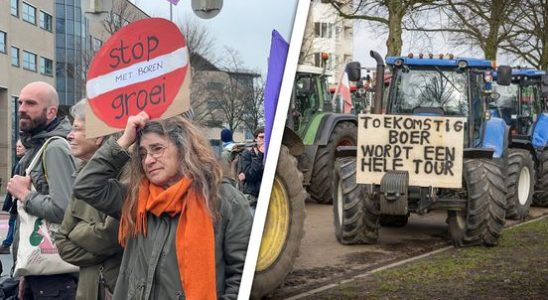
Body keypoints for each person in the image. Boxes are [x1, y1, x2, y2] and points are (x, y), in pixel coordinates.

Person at [72, 112, 252, 299]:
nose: (148, 160)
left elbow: (244, 276)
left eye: (157, 149)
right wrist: (124, 141)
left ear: (184, 148)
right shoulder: (135, 198)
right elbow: (86, 186)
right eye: (142, 154)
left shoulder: (223, 199)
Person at [6, 81, 77, 299]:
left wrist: (24, 195)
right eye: (20, 103)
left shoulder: (54, 147)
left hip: (55, 279)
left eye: (31, 103)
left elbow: (64, 209)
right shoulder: (38, 145)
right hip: (40, 273)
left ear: (51, 111)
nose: (22, 109)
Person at [55, 99, 123, 300]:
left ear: (98, 137)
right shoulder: (81, 177)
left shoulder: (123, 176)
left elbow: (112, 238)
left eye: (76, 129)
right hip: (87, 291)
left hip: (113, 290)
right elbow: (62, 244)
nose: (69, 135)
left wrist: (77, 233)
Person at [0, 139, 26, 254]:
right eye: (17, 146)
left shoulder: (25, 164)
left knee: (14, 223)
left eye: (20, 146)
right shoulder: (17, 164)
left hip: (20, 200)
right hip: (14, 201)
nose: (17, 148)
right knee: (12, 222)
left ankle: (7, 244)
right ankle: (7, 243)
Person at [238, 127, 265, 209]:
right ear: (256, 139)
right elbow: (250, 175)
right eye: (261, 137)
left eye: (266, 137)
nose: (264, 140)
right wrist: (260, 155)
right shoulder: (247, 153)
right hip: (252, 197)